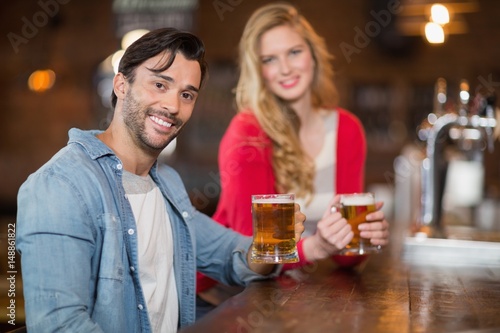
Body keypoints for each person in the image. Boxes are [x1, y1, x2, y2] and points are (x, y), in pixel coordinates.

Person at [15, 27, 307, 333]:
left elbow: (229, 257)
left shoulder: (167, 183)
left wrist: (271, 243)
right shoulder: (60, 186)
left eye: (186, 94)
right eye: (159, 84)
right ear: (121, 85)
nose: (173, 106)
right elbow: (59, 326)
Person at [196, 2, 390, 317]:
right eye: (270, 60)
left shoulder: (347, 129)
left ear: (313, 53)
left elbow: (346, 259)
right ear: (259, 71)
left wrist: (360, 237)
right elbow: (254, 253)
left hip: (295, 297)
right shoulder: (247, 133)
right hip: (224, 296)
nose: (285, 68)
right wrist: (317, 247)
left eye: (294, 52)